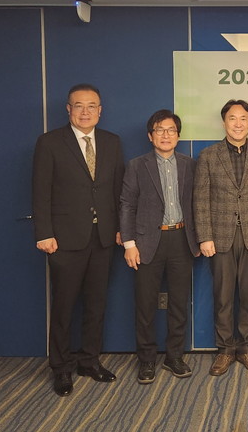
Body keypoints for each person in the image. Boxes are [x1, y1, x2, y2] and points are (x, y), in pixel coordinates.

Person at [32, 83, 124, 397]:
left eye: (91, 106)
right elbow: (40, 192)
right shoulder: (50, 142)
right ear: (69, 109)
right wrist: (44, 233)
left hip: (103, 238)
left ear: (100, 110)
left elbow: (117, 190)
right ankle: (61, 368)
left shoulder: (112, 142)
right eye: (79, 106)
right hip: (64, 240)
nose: (86, 112)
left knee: (96, 305)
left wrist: (120, 228)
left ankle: (89, 361)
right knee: (64, 307)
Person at [194, 100, 248, 376]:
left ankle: (246, 348)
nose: (238, 124)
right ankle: (225, 349)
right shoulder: (208, 155)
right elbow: (201, 199)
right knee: (223, 296)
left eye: (243, 118)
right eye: (232, 118)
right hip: (219, 236)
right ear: (224, 122)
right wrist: (205, 236)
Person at [120, 110, 199, 384]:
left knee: (179, 302)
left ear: (178, 135)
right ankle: (147, 360)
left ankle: (174, 356)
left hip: (182, 240)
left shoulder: (190, 165)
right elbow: (127, 205)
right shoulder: (136, 165)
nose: (166, 135)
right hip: (146, 242)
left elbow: (198, 203)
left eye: (171, 130)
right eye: (160, 130)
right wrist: (129, 243)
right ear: (150, 135)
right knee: (145, 305)